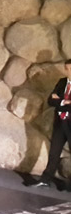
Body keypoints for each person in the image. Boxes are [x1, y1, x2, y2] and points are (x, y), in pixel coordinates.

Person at [32, 59, 71, 189]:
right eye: (67, 68)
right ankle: (45, 179)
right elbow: (50, 101)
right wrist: (64, 103)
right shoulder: (62, 82)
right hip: (60, 122)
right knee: (54, 152)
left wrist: (60, 102)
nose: (69, 71)